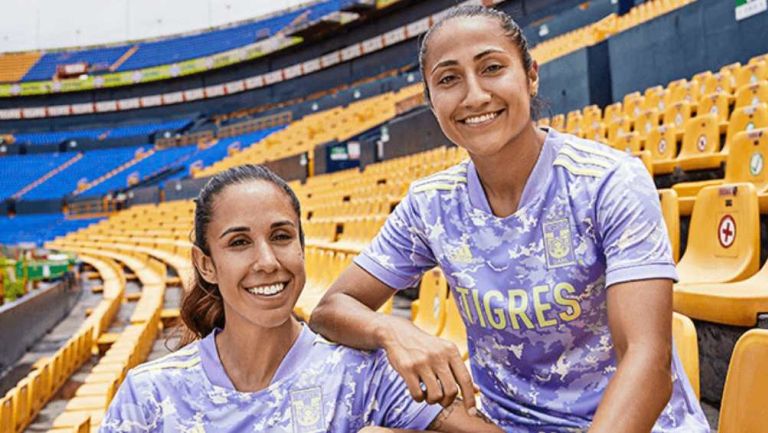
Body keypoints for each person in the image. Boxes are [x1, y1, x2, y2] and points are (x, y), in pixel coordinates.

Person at [309, 6, 710, 433]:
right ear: (430, 101)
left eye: (492, 68)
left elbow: (647, 360)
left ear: (530, 75)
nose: (475, 95)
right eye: (448, 79)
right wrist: (391, 330)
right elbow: (330, 310)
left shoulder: (609, 182)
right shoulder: (430, 205)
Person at [100, 164, 502, 433]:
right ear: (206, 265)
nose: (267, 261)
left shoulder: (361, 373)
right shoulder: (149, 394)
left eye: (281, 236)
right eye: (239, 242)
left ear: (301, 246)